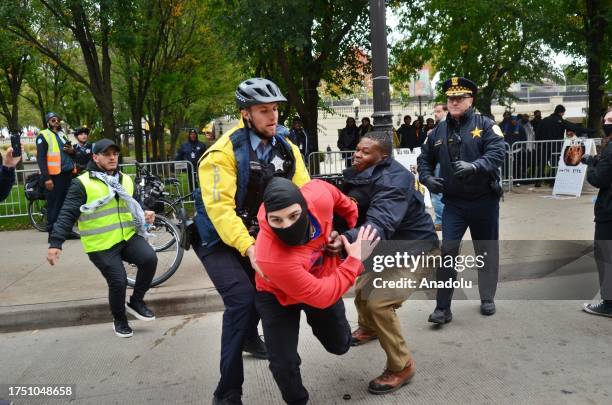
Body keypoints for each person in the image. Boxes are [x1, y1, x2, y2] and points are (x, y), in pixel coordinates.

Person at [193, 77, 310, 405]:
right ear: (246, 114)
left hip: (258, 235)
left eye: (275, 109)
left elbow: (306, 193)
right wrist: (249, 247)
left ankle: (248, 337)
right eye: (263, 111)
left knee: (265, 292)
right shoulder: (222, 153)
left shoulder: (286, 147)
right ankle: (227, 393)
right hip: (217, 238)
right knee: (243, 300)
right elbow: (221, 211)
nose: (273, 117)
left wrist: (317, 232)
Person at [254, 177, 379, 405]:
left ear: (304, 205)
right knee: (283, 363)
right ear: (268, 219)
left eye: (293, 216)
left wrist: (342, 234)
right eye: (276, 220)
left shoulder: (319, 194)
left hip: (321, 277)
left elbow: (347, 206)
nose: (286, 225)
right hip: (276, 296)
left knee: (340, 345)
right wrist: (354, 259)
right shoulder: (269, 255)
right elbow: (322, 296)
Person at [340, 132, 439, 394]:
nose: (357, 154)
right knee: (362, 285)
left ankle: (401, 366)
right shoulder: (364, 171)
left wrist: (343, 240)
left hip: (418, 251)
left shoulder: (394, 181)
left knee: (379, 302)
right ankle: (369, 328)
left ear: (383, 156)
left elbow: (380, 223)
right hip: (392, 246)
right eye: (358, 149)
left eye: (365, 151)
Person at [46, 139, 157, 337]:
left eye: (115, 153)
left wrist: (145, 213)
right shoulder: (82, 183)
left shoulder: (125, 180)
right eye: (107, 154)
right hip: (101, 244)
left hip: (127, 237)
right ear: (95, 157)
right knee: (119, 280)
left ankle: (137, 301)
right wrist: (56, 243)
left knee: (149, 259)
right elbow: (67, 214)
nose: (112, 157)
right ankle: (120, 319)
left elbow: (135, 204)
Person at [417, 77, 505, 322]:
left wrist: (476, 166)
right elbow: (424, 160)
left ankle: (487, 297)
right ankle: (443, 308)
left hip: (484, 200)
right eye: (451, 98)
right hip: (454, 203)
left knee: (485, 250)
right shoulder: (437, 131)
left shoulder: (486, 125)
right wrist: (426, 179)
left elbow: (498, 153)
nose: (454, 102)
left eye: (460, 97)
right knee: (447, 252)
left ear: (471, 100)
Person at [582, 108, 612, 317]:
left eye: (610, 120)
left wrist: (590, 167)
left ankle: (609, 303)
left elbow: (599, 179)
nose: (606, 122)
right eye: (606, 118)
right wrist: (595, 161)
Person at [36, 112, 78, 238]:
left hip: (67, 174)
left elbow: (71, 152)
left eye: (58, 120)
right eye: (53, 120)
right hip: (54, 176)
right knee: (54, 204)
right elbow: (41, 159)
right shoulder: (43, 135)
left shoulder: (62, 134)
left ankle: (67, 230)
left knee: (66, 204)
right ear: (48, 122)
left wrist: (72, 151)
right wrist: (47, 178)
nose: (56, 122)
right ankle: (52, 232)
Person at [429, 103, 448, 231]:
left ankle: (441, 221)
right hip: (441, 163)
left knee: (436, 192)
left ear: (446, 112)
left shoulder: (443, 127)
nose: (435, 114)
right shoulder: (439, 127)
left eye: (438, 111)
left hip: (440, 163)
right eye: (435, 112)